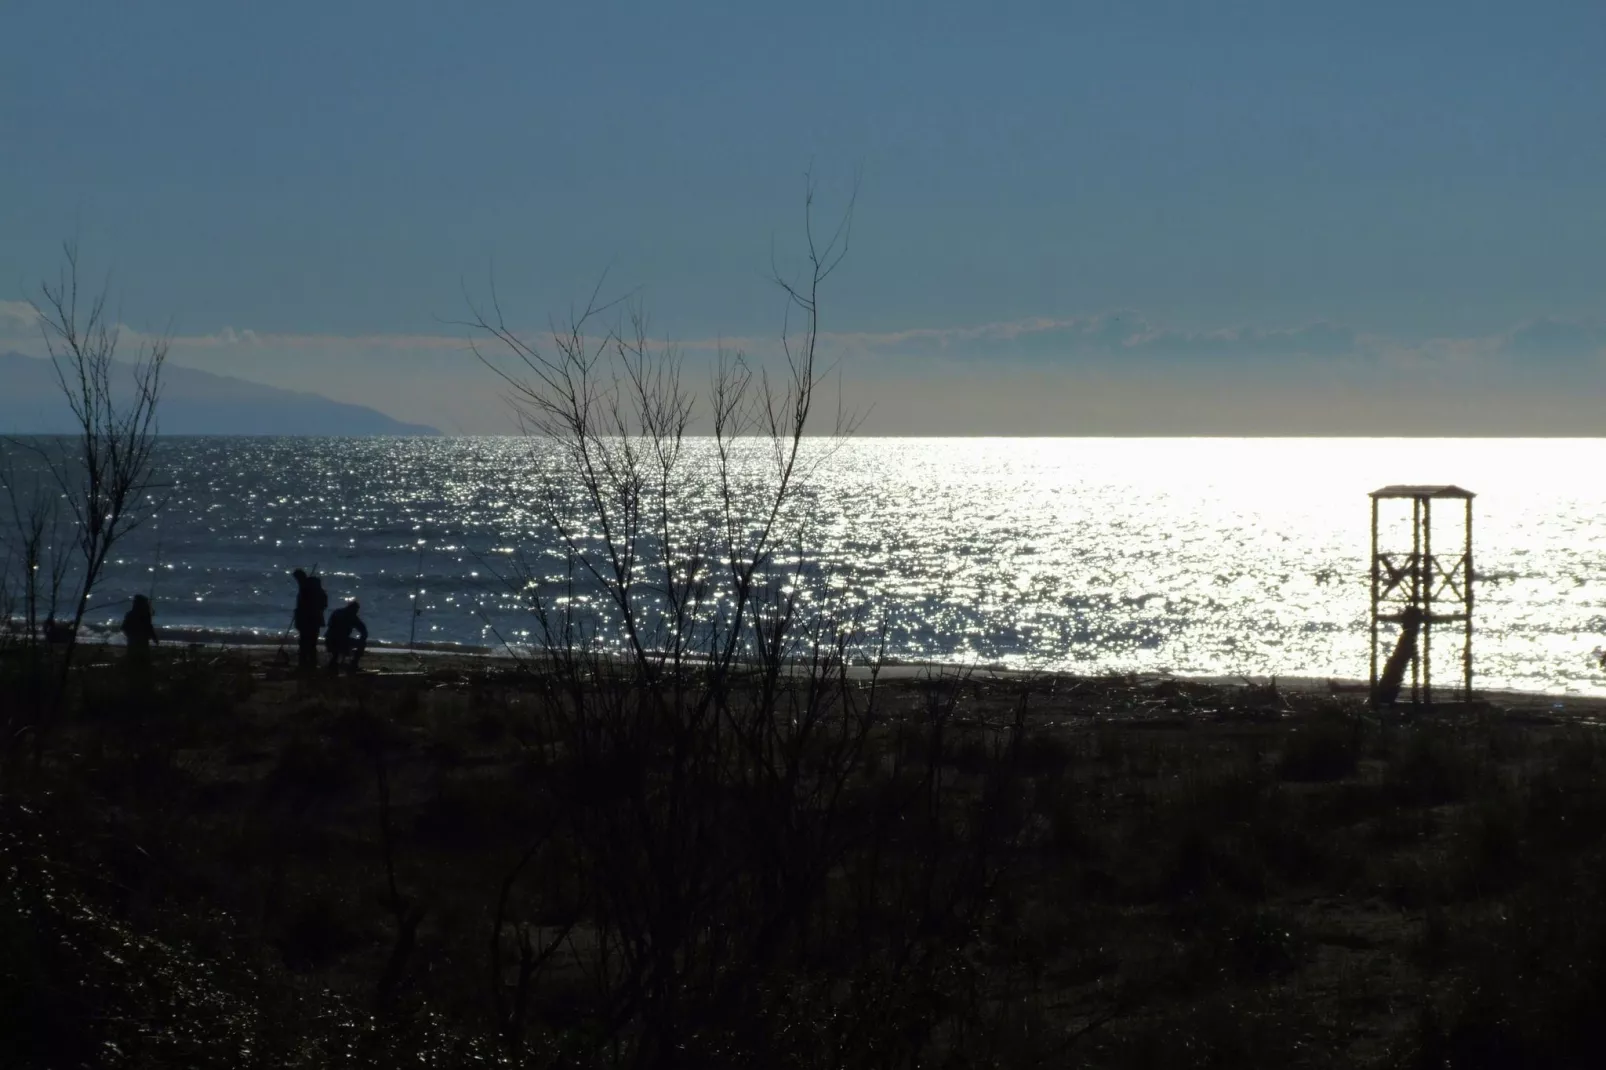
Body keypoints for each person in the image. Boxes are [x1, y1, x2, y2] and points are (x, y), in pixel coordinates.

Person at [292, 568, 327, 671]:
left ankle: (305, 665)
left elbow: (304, 605)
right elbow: (324, 604)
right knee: (311, 643)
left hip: (307, 620)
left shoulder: (305, 589)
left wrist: (300, 612)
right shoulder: (317, 589)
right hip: (314, 620)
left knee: (305, 643)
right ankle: (311, 664)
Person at [325, 599, 368, 672]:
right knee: (361, 644)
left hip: (329, 639)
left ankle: (336, 663)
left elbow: (329, 625)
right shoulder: (352, 617)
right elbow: (364, 631)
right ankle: (353, 664)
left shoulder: (337, 612)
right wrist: (362, 639)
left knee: (336, 654)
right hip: (338, 640)